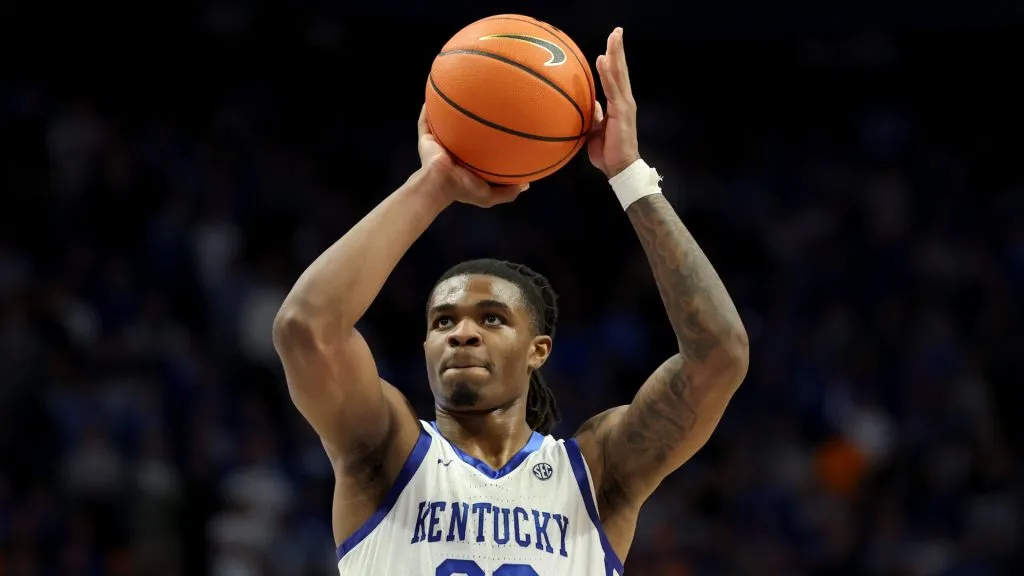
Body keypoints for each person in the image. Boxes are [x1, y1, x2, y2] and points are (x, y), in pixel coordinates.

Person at [273, 27, 749, 576]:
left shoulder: (595, 474)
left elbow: (720, 354)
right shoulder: (386, 453)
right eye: (443, 321)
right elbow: (305, 329)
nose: (462, 332)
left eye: (492, 318)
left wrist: (629, 176)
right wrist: (435, 184)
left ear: (538, 349)